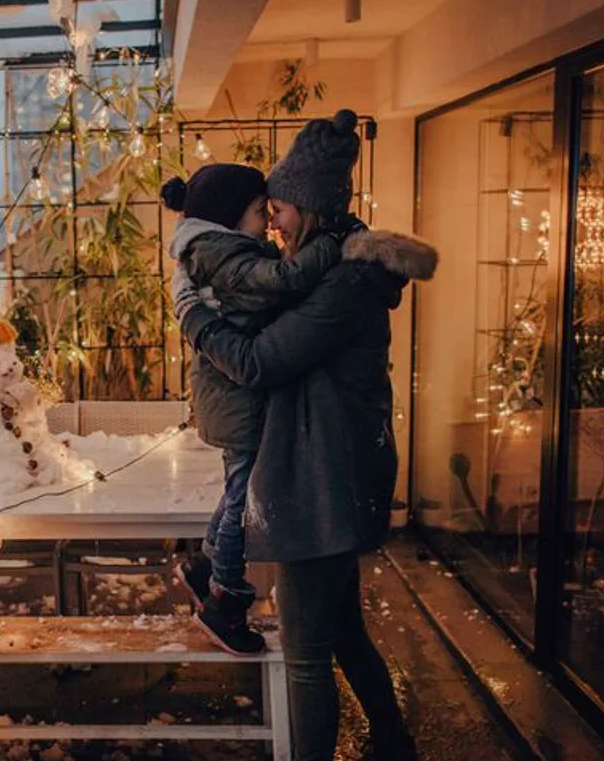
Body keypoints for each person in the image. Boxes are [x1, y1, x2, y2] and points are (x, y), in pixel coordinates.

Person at [174, 109, 437, 761]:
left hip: (323, 481)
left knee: (306, 654)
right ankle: (394, 742)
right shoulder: (334, 271)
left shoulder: (342, 284)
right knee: (342, 629)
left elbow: (260, 360)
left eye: (282, 209)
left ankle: (379, 743)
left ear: (309, 210)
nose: (274, 222)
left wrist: (193, 318)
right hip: (329, 470)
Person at [159, 163, 346, 655]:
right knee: (243, 503)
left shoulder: (215, 251)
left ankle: (203, 567)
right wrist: (331, 242)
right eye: (259, 211)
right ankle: (225, 599)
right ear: (229, 215)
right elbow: (283, 279)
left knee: (237, 492)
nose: (267, 222)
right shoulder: (226, 254)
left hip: (233, 399)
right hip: (239, 399)